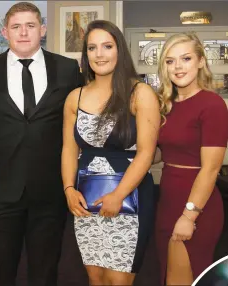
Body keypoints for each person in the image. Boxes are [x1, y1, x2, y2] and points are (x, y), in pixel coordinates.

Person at [0, 2, 85, 285]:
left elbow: (86, 119)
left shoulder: (68, 69)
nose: (23, 33)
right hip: (1, 191)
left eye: (30, 25)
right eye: (16, 27)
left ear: (43, 29)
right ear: (4, 32)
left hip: (50, 190)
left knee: (45, 271)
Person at [62, 20, 160, 285]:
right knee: (95, 277)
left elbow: (146, 153)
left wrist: (119, 195)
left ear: (120, 50)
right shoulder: (75, 97)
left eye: (107, 46)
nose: (99, 54)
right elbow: (69, 149)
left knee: (119, 279)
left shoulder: (140, 93)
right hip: (87, 198)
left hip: (130, 197)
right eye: (92, 48)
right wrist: (69, 189)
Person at [156, 32, 228, 285]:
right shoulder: (165, 104)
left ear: (200, 61)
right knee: (168, 276)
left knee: (187, 278)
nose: (177, 67)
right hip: (166, 199)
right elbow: (157, 153)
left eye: (185, 58)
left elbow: (211, 169)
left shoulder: (212, 104)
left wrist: (189, 216)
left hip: (197, 205)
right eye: (170, 61)